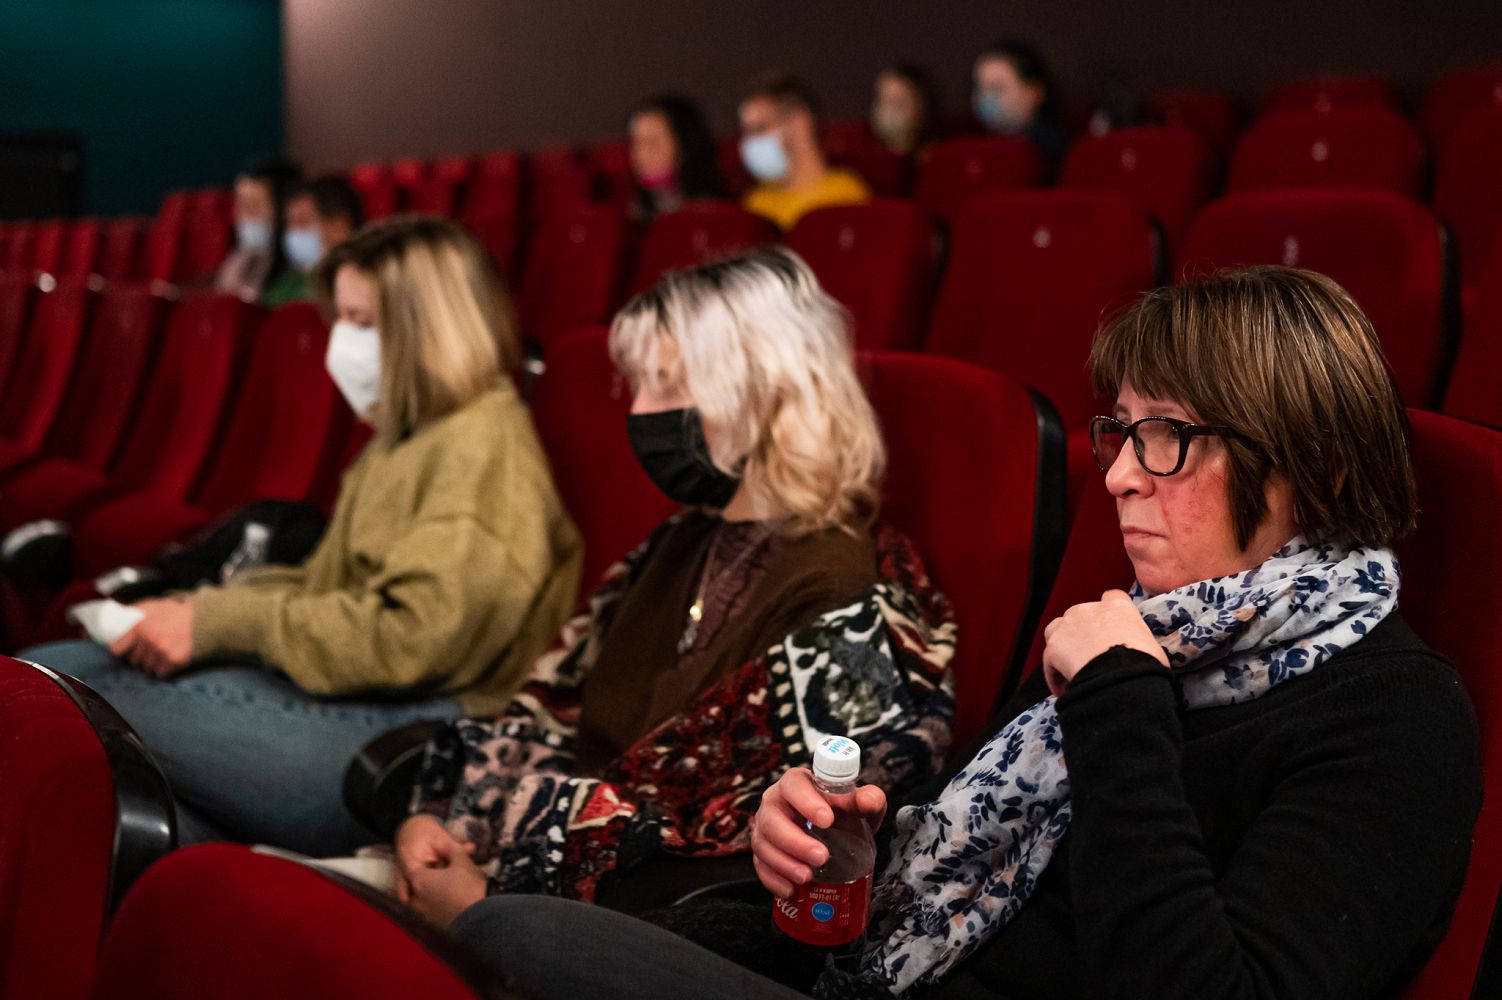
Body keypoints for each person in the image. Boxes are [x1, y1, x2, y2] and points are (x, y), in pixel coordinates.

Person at [440, 266, 1482, 1000]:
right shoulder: (1138, 632)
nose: (1119, 474)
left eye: (1166, 436)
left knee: (511, 934)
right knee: (515, 936)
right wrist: (821, 863)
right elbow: (957, 893)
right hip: (888, 980)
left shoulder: (1394, 715)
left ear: (1315, 468)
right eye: (1120, 432)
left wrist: (1121, 704)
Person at [387, 248, 956, 927]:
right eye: (638, 386)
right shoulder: (687, 537)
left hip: (599, 930)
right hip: (518, 881)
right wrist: (436, 822)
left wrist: (486, 909)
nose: (639, 411)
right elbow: (553, 710)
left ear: (762, 391)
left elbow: (738, 873)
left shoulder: (837, 593)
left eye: (665, 385)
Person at [25, 216, 583, 857]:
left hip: (415, 739)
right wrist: (196, 609)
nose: (342, 340)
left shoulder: (481, 449)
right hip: (354, 695)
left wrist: (217, 623)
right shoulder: (408, 435)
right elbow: (326, 582)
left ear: (431, 329)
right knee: (103, 771)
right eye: (341, 318)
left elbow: (409, 640)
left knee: (52, 695)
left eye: (363, 322)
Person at [739, 74, 871, 230]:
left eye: (760, 128)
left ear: (799, 123)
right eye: (746, 132)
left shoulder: (845, 195)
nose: (749, 142)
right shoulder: (753, 204)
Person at [262, 174, 364, 307]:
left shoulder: (361, 281)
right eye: (289, 223)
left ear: (338, 226)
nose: (293, 231)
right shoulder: (292, 281)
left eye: (302, 221)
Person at [972, 39, 1069, 175]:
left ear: (1033, 92)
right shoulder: (974, 149)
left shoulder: (1050, 148)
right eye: (981, 88)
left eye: (997, 88)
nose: (987, 98)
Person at [627, 94, 724, 224]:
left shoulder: (717, 213)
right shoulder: (631, 217)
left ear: (685, 146)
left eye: (653, 142)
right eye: (637, 143)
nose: (641, 153)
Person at [214, 158, 301, 302]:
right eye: (240, 205)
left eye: (252, 206)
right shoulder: (236, 261)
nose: (240, 217)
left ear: (283, 210)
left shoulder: (296, 274)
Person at [870, 62, 941, 157]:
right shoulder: (864, 155)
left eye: (899, 102)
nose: (890, 111)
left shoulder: (943, 154)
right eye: (884, 101)